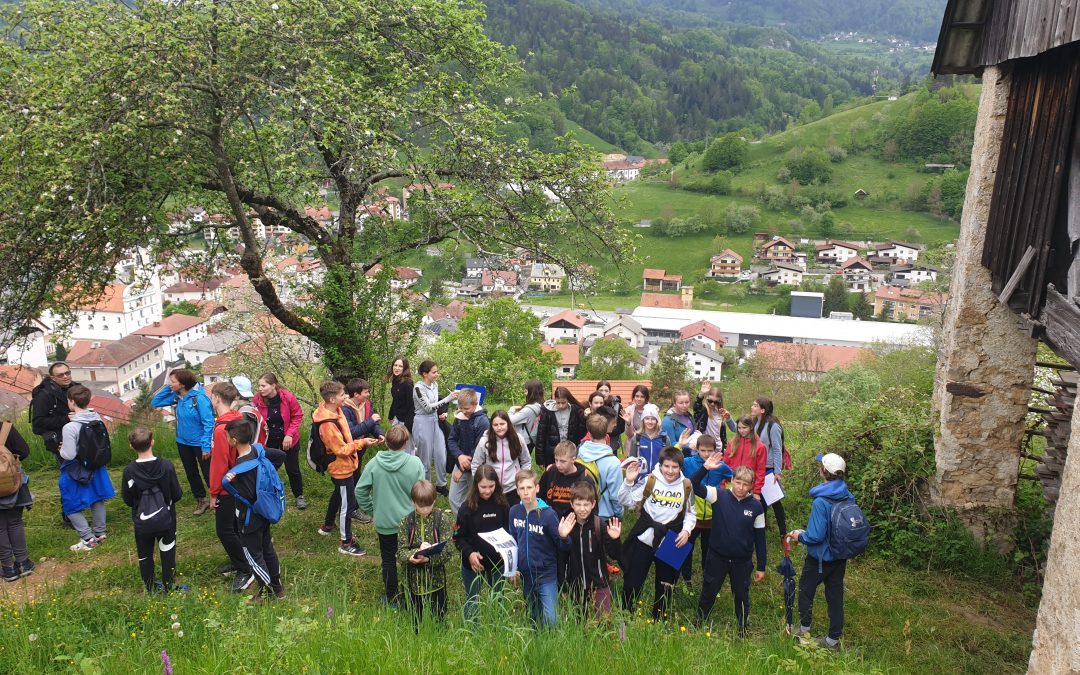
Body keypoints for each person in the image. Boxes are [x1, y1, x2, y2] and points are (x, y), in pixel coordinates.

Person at [618, 446, 695, 619]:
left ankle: (660, 619)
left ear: (680, 467)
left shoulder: (686, 486)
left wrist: (686, 530)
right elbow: (625, 500)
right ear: (660, 465)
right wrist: (628, 482)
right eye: (666, 466)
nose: (670, 471)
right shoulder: (650, 480)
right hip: (645, 537)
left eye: (675, 467)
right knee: (632, 581)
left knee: (665, 584)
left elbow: (691, 513)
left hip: (670, 540)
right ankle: (625, 615)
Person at [791, 453, 855, 651]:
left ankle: (803, 630)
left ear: (823, 472)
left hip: (819, 558)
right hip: (840, 556)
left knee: (805, 591)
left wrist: (799, 536)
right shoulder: (847, 495)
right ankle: (833, 640)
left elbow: (816, 536)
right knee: (835, 597)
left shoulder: (821, 501)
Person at [356, 425, 425, 606]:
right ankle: (413, 596)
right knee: (411, 558)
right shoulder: (415, 463)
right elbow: (422, 492)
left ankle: (392, 597)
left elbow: (360, 491)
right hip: (409, 522)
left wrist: (373, 509)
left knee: (388, 559)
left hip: (385, 522)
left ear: (385, 441)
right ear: (406, 442)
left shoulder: (374, 464)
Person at [693, 462, 766, 632]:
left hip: (742, 561)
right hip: (717, 556)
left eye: (745, 484)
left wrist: (761, 566)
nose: (741, 488)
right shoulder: (718, 495)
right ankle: (699, 622)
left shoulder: (756, 507)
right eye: (738, 482)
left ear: (751, 486)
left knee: (741, 595)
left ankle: (742, 628)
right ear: (731, 480)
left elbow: (760, 538)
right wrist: (706, 468)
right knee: (709, 590)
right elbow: (693, 484)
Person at [222, 419, 287, 603]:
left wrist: (233, 482)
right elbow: (281, 455)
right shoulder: (258, 450)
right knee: (267, 549)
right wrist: (266, 476)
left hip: (249, 518)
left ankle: (266, 593)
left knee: (253, 554)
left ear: (234, 440)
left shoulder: (240, 468)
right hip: (265, 513)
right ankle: (278, 588)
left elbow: (249, 495)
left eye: (227, 436)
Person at [313, 381, 376, 556]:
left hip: (346, 464)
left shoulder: (335, 410)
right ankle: (346, 543)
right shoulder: (327, 424)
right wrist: (361, 442)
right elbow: (340, 449)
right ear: (332, 399)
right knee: (347, 505)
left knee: (338, 495)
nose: (346, 397)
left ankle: (327, 526)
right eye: (342, 395)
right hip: (341, 467)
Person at [120, 426, 185, 593]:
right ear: (153, 442)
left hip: (142, 520)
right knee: (168, 551)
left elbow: (127, 499)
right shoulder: (166, 466)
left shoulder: (129, 471)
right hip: (167, 517)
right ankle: (169, 586)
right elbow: (177, 494)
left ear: (131, 446)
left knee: (145, 555)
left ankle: (150, 587)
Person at [208, 382, 256, 591]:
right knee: (238, 527)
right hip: (244, 479)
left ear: (217, 399)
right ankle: (240, 561)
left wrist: (214, 492)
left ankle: (246, 570)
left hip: (229, 486)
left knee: (225, 530)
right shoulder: (240, 419)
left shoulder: (221, 429)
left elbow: (219, 463)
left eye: (211, 397)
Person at [508, 469, 568, 627]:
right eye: (522, 488)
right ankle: (538, 644)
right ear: (517, 491)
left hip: (546, 573)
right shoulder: (514, 512)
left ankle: (554, 644)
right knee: (534, 615)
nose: (526, 492)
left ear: (537, 488)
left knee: (551, 619)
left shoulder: (548, 515)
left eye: (529, 487)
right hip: (526, 574)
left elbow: (563, 546)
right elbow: (512, 541)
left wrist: (563, 536)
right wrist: (512, 567)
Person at [151, 368, 214, 515]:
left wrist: (206, 446)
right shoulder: (176, 397)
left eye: (173, 381)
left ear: (183, 384)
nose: (170, 384)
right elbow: (155, 402)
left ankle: (216, 498)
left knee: (208, 472)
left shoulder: (199, 398)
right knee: (191, 472)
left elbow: (209, 423)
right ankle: (201, 499)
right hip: (183, 442)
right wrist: (169, 387)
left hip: (200, 443)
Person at [60, 385, 116, 551]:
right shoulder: (96, 419)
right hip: (96, 465)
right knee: (96, 498)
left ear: (71, 401)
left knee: (69, 504)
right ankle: (100, 533)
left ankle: (87, 539)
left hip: (77, 469)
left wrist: (60, 448)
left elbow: (68, 454)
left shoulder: (70, 427)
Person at [453, 464, 509, 621]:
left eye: (491, 486)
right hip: (473, 564)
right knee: (472, 599)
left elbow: (509, 533)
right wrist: (469, 553)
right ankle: (472, 633)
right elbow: (457, 537)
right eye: (483, 487)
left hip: (497, 563)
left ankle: (497, 629)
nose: (487, 490)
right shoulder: (466, 508)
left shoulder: (503, 505)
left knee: (498, 598)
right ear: (476, 485)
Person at [560, 480, 621, 617]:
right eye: (578, 504)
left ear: (593, 504)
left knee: (603, 622)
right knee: (579, 622)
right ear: (572, 504)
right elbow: (562, 556)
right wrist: (563, 537)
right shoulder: (567, 525)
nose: (582, 509)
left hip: (599, 584)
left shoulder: (600, 525)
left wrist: (614, 539)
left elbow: (615, 554)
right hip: (575, 585)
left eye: (586, 504)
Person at [680, 435, 733, 587]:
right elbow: (668, 462)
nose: (706, 454)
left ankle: (707, 577)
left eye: (710, 451)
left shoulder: (721, 466)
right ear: (696, 448)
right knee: (686, 547)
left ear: (715, 450)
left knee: (708, 549)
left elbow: (734, 478)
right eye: (703, 450)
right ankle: (686, 578)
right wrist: (679, 446)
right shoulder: (688, 462)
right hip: (692, 515)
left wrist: (727, 495)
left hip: (712, 516)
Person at [397, 480, 452, 626]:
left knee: (439, 619)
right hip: (412, 583)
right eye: (421, 506)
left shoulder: (442, 520)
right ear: (413, 502)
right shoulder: (406, 522)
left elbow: (448, 551)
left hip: (436, 582)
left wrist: (428, 559)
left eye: (429, 505)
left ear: (434, 501)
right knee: (415, 620)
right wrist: (414, 554)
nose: (425, 509)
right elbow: (401, 552)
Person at [538, 440, 592, 586]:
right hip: (551, 526)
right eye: (556, 460)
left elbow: (591, 507)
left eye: (563, 461)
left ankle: (572, 589)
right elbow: (540, 497)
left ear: (573, 459)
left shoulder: (584, 478)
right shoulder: (551, 473)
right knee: (554, 561)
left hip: (573, 528)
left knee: (571, 562)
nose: (558, 464)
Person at [577, 413, 623, 567]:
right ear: (607, 432)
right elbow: (615, 495)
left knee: (588, 552)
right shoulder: (613, 462)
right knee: (605, 555)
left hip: (584, 509)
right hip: (605, 514)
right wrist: (619, 513)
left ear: (588, 432)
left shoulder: (580, 454)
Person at [253, 373, 306, 510]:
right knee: (267, 469)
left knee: (293, 469)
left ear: (273, 386)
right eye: (259, 385)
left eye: (263, 385)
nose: (260, 388)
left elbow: (297, 415)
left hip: (288, 440)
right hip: (269, 441)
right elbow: (254, 416)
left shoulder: (287, 397)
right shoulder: (257, 399)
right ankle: (268, 494)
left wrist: (289, 434)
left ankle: (299, 495)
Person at [343, 378, 386, 522]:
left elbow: (373, 424)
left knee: (355, 477)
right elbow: (352, 432)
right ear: (356, 394)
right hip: (348, 450)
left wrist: (379, 433)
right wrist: (371, 421)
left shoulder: (367, 404)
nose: (368, 394)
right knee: (348, 481)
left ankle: (350, 508)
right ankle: (350, 511)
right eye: (366, 392)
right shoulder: (345, 409)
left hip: (361, 448)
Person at [412, 360, 458, 495]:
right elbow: (427, 408)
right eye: (434, 372)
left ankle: (441, 484)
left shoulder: (435, 385)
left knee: (441, 454)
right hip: (422, 422)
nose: (437, 374)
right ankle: (425, 487)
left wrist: (443, 410)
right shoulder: (418, 388)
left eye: (437, 371)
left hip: (434, 421)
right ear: (425, 374)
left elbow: (436, 404)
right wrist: (447, 399)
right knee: (425, 458)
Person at [471, 411, 531, 507]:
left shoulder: (518, 439)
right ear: (491, 426)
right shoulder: (484, 441)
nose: (499, 428)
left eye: (502, 424)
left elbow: (526, 461)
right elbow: (475, 464)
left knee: (512, 516)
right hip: (492, 489)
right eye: (495, 425)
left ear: (508, 423)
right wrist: (480, 482)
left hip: (513, 488)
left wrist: (521, 479)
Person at [445, 388, 489, 516]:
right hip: (460, 462)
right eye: (461, 408)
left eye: (467, 409)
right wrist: (459, 456)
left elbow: (478, 451)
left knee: (474, 499)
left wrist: (462, 469)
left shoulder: (483, 422)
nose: (463, 411)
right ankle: (462, 523)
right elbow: (452, 440)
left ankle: (473, 525)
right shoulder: (459, 417)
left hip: (475, 467)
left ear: (475, 405)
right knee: (453, 498)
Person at [0, 422, 34, 581]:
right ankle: (23, 563)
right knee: (15, 522)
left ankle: (8, 568)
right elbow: (24, 451)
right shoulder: (5, 428)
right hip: (12, 483)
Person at [752, 396, 788, 539]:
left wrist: (777, 472)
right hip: (758, 467)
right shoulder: (755, 423)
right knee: (761, 500)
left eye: (755, 405)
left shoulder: (773, 426)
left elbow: (778, 449)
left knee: (774, 501)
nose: (752, 407)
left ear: (763, 410)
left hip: (769, 469)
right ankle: (762, 528)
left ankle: (783, 533)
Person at [30, 361, 78, 460]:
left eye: (67, 373)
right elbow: (37, 424)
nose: (65, 376)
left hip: (79, 437)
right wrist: (66, 418)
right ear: (53, 378)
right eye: (60, 375)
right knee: (72, 472)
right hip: (60, 442)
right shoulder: (43, 395)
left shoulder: (76, 388)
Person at [534, 387, 586, 468]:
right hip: (552, 453)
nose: (561, 406)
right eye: (558, 403)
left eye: (563, 403)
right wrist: (540, 459)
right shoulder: (547, 412)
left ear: (568, 400)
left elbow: (581, 431)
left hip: (569, 451)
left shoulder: (575, 410)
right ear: (555, 400)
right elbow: (541, 435)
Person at [724, 416, 767, 499]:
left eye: (744, 428)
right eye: (739, 428)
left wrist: (757, 491)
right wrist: (723, 483)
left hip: (748, 487)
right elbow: (725, 464)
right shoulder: (732, 442)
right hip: (732, 483)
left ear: (751, 427)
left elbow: (760, 470)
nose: (741, 430)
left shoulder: (760, 446)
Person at [508, 379, 544, 455]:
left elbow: (509, 420)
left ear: (532, 392)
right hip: (530, 440)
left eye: (526, 391)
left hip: (523, 441)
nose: (524, 394)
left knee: (520, 464)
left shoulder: (528, 410)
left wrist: (512, 409)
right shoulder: (539, 405)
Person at [632, 404, 668, 476]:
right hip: (640, 478)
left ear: (657, 421)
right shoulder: (636, 438)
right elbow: (632, 460)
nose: (650, 422)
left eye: (653, 419)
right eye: (647, 418)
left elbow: (668, 460)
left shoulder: (664, 438)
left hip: (659, 478)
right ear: (643, 420)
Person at [694, 382, 734, 448]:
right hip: (705, 448)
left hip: (718, 449)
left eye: (716, 402)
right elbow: (696, 407)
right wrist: (701, 394)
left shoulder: (721, 413)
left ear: (720, 401)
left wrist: (724, 448)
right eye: (710, 401)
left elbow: (722, 435)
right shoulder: (703, 411)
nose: (712, 404)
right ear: (706, 398)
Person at [387, 357, 415, 449]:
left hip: (406, 421)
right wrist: (390, 416)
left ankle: (411, 462)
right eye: (395, 365)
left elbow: (412, 405)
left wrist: (407, 425)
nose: (397, 368)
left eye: (400, 366)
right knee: (394, 445)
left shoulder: (407, 383)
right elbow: (396, 400)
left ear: (405, 368)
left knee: (407, 447)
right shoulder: (395, 381)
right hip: (397, 418)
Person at [230, 375, 267, 447]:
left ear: (235, 392)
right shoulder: (251, 407)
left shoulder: (245, 414)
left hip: (249, 454)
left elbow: (243, 440)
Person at [595, 381, 625, 452]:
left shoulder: (617, 407)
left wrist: (608, 431)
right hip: (595, 442)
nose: (604, 393)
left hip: (612, 443)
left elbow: (621, 427)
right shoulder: (594, 404)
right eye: (601, 390)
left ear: (609, 392)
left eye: (606, 391)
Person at [620, 384, 650, 453]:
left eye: (642, 397)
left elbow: (658, 430)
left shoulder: (652, 411)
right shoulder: (629, 411)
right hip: (633, 448)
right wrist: (628, 423)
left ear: (646, 398)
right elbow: (629, 435)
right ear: (633, 397)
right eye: (637, 396)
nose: (639, 399)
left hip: (648, 446)